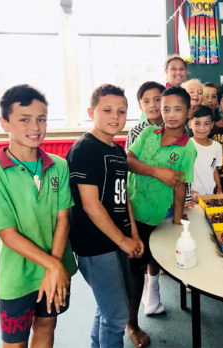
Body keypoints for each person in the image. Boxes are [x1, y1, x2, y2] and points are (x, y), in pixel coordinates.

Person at [0, 84, 77, 347]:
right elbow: (8, 235)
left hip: (56, 266)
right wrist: (54, 265)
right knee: (15, 341)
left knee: (47, 326)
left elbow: (63, 219)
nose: (35, 127)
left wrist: (55, 266)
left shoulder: (59, 165)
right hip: (18, 276)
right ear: (4, 123)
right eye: (24, 119)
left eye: (41, 119)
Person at [67, 84, 144, 348]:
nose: (115, 116)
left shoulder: (117, 149)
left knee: (107, 306)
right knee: (117, 315)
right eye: (107, 110)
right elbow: (91, 206)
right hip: (96, 246)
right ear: (91, 112)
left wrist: (132, 234)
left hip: (118, 240)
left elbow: (124, 198)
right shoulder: (85, 149)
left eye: (121, 111)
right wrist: (123, 241)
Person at [127, 86, 197, 345]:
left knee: (142, 265)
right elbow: (127, 160)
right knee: (131, 272)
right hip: (128, 210)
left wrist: (178, 219)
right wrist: (158, 172)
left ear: (188, 112)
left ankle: (135, 317)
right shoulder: (147, 133)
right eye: (166, 108)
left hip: (153, 218)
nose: (170, 114)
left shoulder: (188, 149)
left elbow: (180, 185)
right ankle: (132, 324)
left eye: (178, 109)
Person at [188, 105, 223, 199]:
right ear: (190, 124)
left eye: (206, 123)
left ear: (212, 125)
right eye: (197, 123)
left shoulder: (217, 147)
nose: (202, 128)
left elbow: (214, 168)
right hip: (192, 196)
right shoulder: (186, 146)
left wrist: (219, 187)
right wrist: (186, 193)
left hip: (210, 195)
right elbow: (181, 172)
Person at [126, 81, 165, 150]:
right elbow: (129, 159)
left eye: (157, 99)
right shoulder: (135, 132)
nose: (152, 105)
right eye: (146, 101)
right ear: (140, 106)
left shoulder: (176, 128)